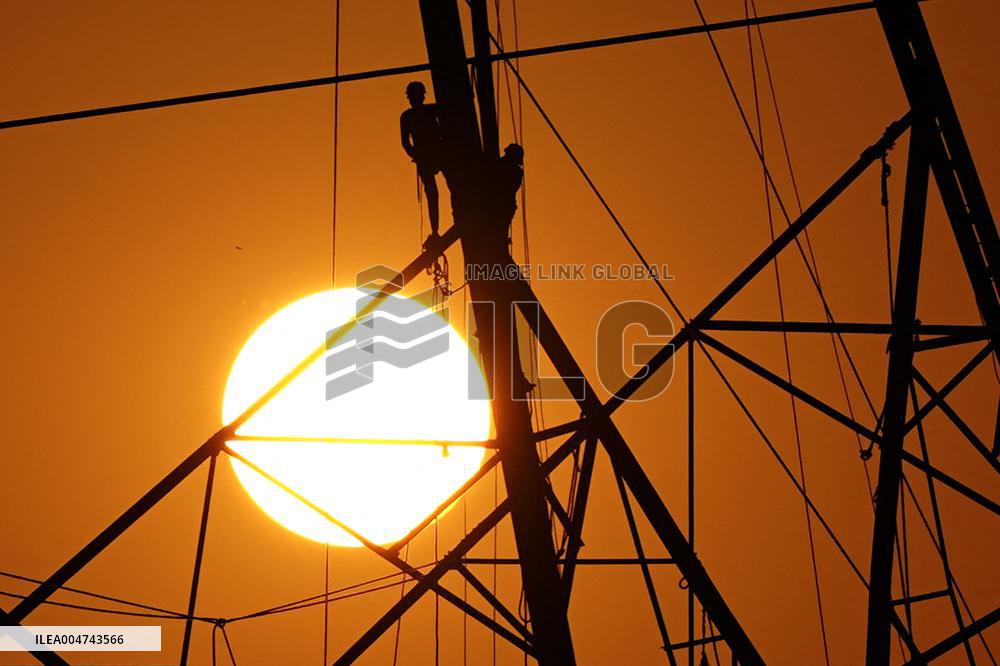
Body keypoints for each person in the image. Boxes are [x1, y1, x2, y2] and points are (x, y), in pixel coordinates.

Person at [399, 81, 443, 241]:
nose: (414, 99)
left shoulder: (432, 111)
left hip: (439, 153)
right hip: (425, 156)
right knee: (432, 193)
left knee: (437, 191)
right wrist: (416, 156)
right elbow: (405, 143)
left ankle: (437, 230)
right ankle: (435, 230)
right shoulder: (407, 117)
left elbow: (405, 143)